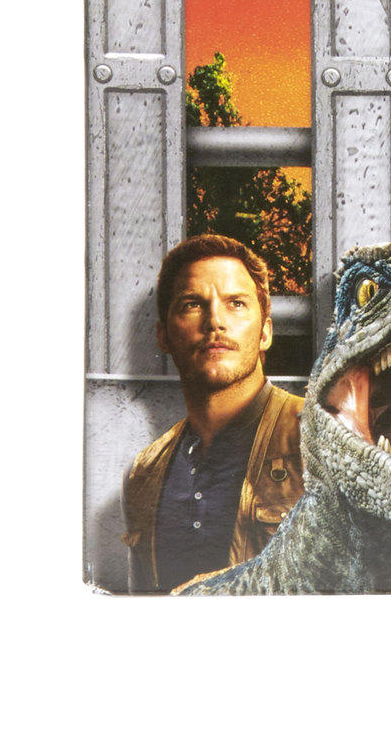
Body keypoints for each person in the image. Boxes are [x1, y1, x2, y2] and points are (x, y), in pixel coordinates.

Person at [122, 235, 303, 592]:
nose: (215, 322)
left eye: (236, 304)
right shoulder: (143, 472)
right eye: (192, 304)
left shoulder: (320, 439)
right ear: (163, 336)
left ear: (266, 332)